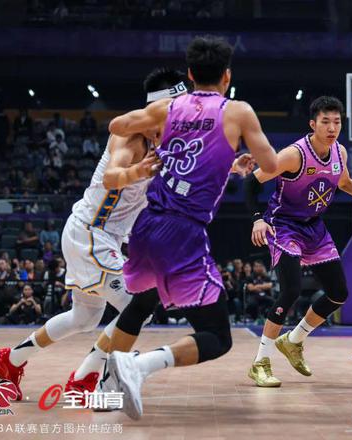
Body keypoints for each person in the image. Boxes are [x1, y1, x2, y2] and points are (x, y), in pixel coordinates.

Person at [0, 67, 193, 403]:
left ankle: (10, 360)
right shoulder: (131, 137)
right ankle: (84, 379)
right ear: (159, 107)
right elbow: (112, 176)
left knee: (84, 318)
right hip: (91, 233)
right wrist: (137, 171)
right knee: (137, 306)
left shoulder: (169, 144)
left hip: (102, 237)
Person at [104, 37, 277, 420]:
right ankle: (139, 366)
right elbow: (271, 166)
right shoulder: (238, 111)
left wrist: (162, 127)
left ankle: (106, 386)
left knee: (141, 303)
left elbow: (117, 124)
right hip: (181, 233)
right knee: (217, 336)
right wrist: (239, 153)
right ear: (227, 76)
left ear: (190, 74)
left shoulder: (168, 108)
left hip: (146, 225)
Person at [244, 96, 352, 387]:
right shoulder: (293, 155)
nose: (332, 128)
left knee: (339, 293)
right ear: (312, 124)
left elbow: (345, 184)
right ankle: (260, 363)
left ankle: (293, 341)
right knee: (291, 290)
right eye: (325, 122)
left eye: (337, 122)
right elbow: (251, 183)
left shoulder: (339, 152)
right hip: (284, 225)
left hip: (314, 227)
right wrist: (257, 219)